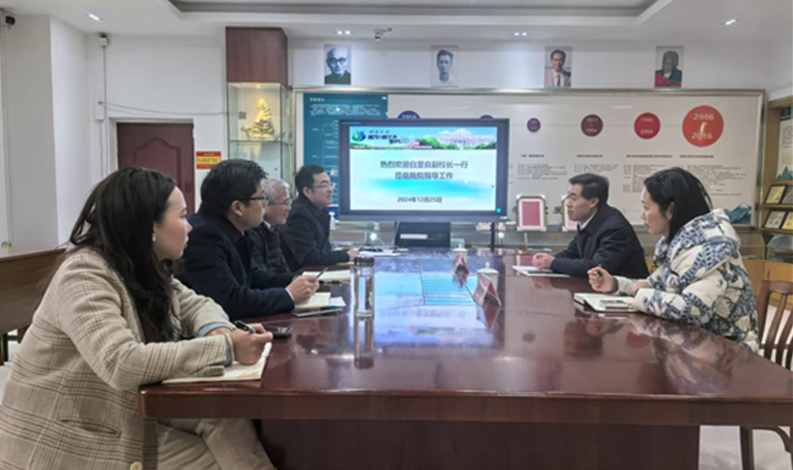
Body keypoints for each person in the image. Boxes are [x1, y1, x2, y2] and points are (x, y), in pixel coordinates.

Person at [0, 167, 277, 470]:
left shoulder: (143, 267)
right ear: (149, 227)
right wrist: (226, 348)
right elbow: (120, 362)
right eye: (182, 216)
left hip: (118, 406)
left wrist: (218, 330)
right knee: (210, 458)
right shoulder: (83, 274)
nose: (190, 226)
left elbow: (198, 305)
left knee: (222, 415)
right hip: (69, 433)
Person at [588, 167, 759, 351]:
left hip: (728, 353)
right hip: (697, 345)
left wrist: (640, 294)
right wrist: (614, 284)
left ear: (670, 210)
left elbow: (693, 309)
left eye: (646, 208)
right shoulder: (680, 243)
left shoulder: (708, 247)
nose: (642, 215)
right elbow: (654, 284)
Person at [180, 160, 318, 320]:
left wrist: (297, 280)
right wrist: (289, 295)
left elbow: (256, 277)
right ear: (238, 208)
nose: (265, 206)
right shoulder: (203, 237)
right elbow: (230, 302)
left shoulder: (233, 230)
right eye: (262, 199)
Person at [532, 173, 649, 279]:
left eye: (574, 198)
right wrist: (547, 259)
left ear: (593, 202)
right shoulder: (589, 220)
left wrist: (553, 263)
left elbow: (596, 268)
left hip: (626, 292)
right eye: (568, 196)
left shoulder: (615, 228)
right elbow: (573, 253)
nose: (568, 203)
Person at [281, 165, 359, 270]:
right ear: (307, 191)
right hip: (300, 276)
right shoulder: (299, 215)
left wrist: (345, 253)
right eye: (324, 185)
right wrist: (345, 255)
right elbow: (309, 257)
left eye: (330, 184)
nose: (330, 190)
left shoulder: (320, 211)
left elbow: (324, 250)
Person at [250, 177, 292, 274]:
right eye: (285, 203)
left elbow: (282, 268)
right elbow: (260, 277)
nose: (289, 208)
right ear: (266, 204)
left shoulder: (273, 228)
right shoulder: (251, 233)